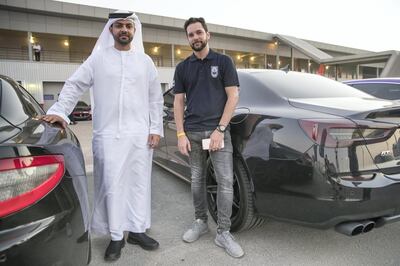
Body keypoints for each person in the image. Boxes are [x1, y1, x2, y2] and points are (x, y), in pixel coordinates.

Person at [41, 11, 164, 262]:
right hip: (108, 136)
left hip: (140, 135)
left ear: (134, 30)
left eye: (128, 26)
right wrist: (59, 111)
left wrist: (155, 129)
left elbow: (155, 98)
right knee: (112, 187)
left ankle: (138, 230)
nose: (124, 30)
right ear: (111, 30)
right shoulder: (97, 59)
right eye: (119, 25)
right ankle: (116, 236)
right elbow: (74, 85)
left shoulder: (145, 62)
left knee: (140, 185)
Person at [172, 17, 244, 258]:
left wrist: (220, 129)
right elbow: (178, 101)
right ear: (187, 38)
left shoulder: (224, 62)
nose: (195, 37)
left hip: (217, 134)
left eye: (199, 33)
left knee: (225, 181)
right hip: (192, 133)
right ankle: (200, 222)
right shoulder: (183, 67)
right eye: (191, 34)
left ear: (208, 34)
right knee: (196, 179)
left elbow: (233, 97)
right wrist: (180, 133)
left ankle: (223, 232)